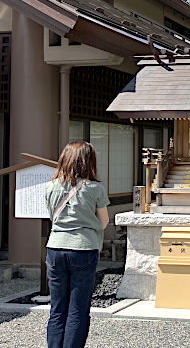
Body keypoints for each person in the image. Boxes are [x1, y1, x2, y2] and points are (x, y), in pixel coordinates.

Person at [45, 141, 109, 348]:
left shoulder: (51, 185)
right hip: (83, 248)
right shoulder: (95, 188)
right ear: (89, 161)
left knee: (57, 308)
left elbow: (51, 217)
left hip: (55, 248)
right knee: (78, 309)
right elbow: (104, 222)